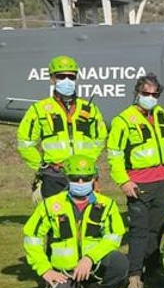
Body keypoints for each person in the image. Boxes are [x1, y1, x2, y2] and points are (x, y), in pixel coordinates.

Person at [22, 155, 128, 288]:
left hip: (93, 265)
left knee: (119, 262)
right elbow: (32, 238)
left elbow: (114, 236)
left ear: (93, 178)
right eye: (74, 178)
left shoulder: (107, 205)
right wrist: (44, 270)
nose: (80, 183)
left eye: (85, 178)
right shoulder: (49, 205)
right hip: (65, 272)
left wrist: (89, 258)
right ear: (66, 177)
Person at [107, 73, 164, 288]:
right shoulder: (123, 120)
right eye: (146, 93)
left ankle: (152, 271)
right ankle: (134, 276)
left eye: (155, 94)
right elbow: (114, 154)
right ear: (137, 93)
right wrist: (123, 180)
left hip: (163, 180)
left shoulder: (162, 114)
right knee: (138, 230)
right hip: (139, 182)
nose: (150, 97)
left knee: (158, 228)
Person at [17, 55, 107, 199]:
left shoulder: (90, 109)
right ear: (52, 78)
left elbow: (100, 138)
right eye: (61, 76)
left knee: (84, 216)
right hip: (54, 173)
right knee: (56, 216)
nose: (67, 81)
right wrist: (41, 166)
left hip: (83, 173)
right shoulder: (38, 109)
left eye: (71, 77)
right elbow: (25, 142)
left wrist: (89, 161)